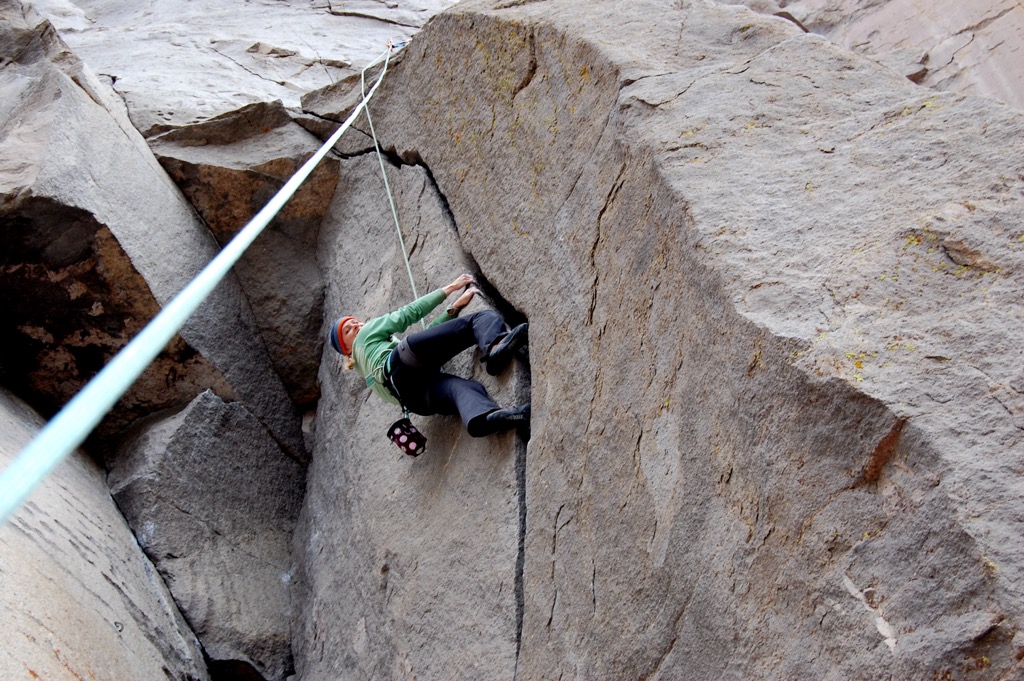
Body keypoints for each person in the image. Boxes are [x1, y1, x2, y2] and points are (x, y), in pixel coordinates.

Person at [328, 274, 530, 437]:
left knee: (461, 389)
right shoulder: (364, 336)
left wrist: (453, 309)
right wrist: (450, 288)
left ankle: (485, 418)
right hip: (405, 363)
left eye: (353, 321)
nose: (355, 325)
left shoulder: (370, 378)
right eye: (347, 330)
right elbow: (407, 314)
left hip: (417, 399)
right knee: (480, 319)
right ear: (347, 351)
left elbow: (429, 341)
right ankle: (495, 348)